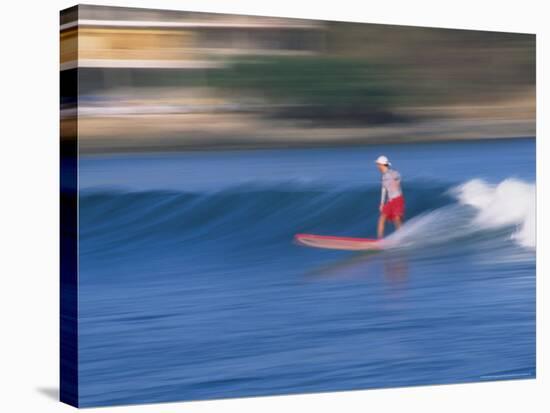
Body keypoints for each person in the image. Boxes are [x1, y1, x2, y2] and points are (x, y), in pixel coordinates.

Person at [375, 155, 405, 238]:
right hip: (390, 201)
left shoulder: (393, 173)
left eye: (378, 164)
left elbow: (398, 177)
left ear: (382, 165)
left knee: (397, 218)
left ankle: (402, 237)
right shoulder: (383, 176)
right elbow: (383, 189)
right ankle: (379, 240)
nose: (377, 166)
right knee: (382, 219)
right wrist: (382, 203)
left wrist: (396, 181)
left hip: (398, 199)